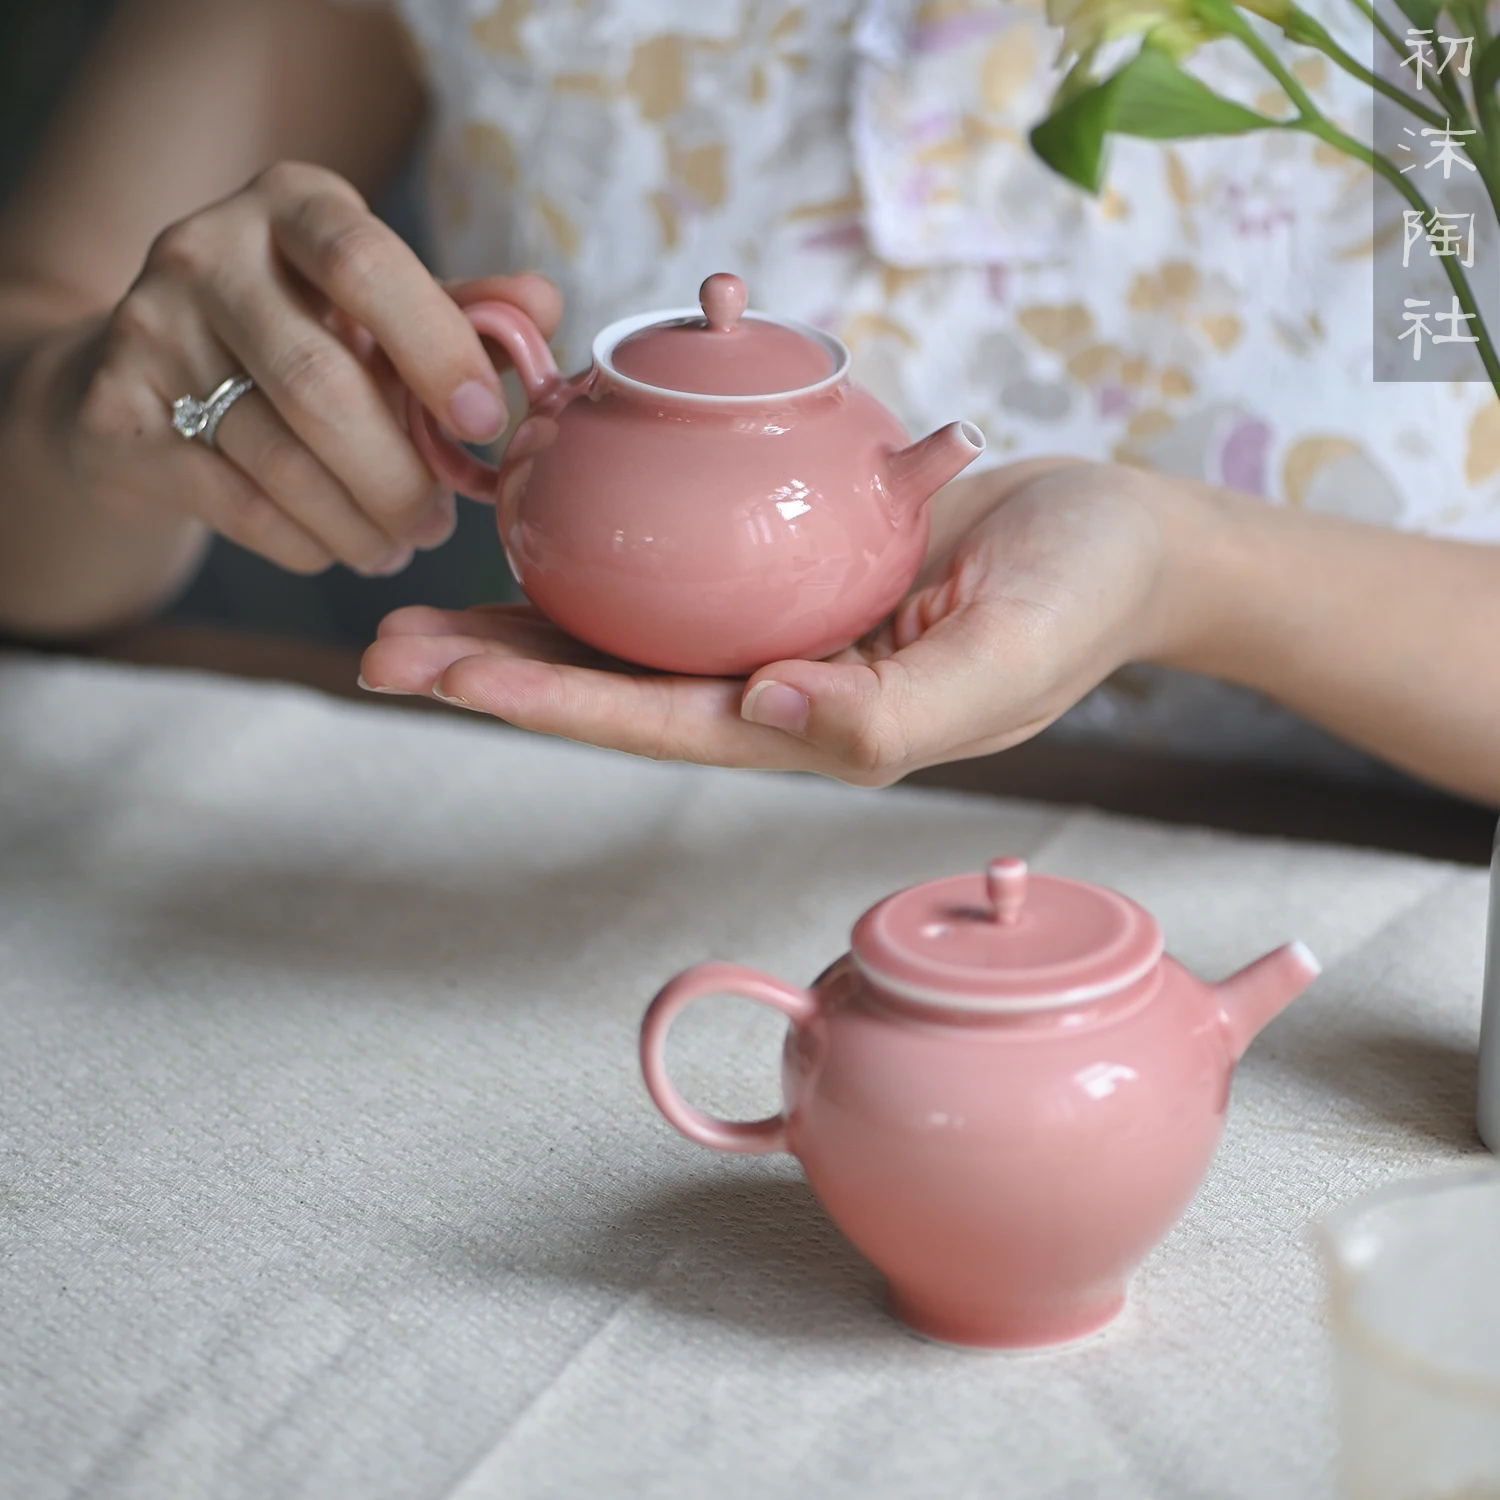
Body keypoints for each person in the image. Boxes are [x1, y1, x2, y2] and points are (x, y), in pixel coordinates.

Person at [2, 0, 1498, 805]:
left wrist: (1194, 569)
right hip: (556, 893)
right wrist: (103, 417)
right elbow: (49, 349)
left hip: (1354, 919)